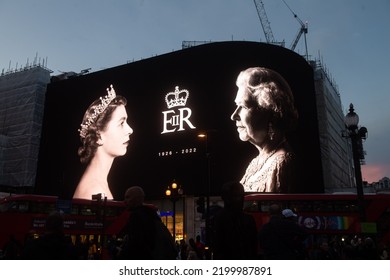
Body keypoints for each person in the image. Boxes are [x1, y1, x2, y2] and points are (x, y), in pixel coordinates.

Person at [231, 67, 299, 193]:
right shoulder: (257, 161)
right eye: (236, 106)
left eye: (244, 106)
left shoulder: (281, 162)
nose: (234, 115)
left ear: (270, 112)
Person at [73, 84, 133, 200]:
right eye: (121, 123)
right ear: (99, 136)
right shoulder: (95, 190)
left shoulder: (97, 182)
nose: (130, 130)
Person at [118, 186, 177, 260]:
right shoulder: (151, 215)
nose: (125, 201)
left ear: (137, 198)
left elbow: (135, 245)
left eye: (128, 197)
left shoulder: (136, 216)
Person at [212, 181, 258, 260]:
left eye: (241, 196)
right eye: (236, 196)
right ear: (227, 198)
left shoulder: (218, 218)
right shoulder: (248, 219)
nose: (240, 199)